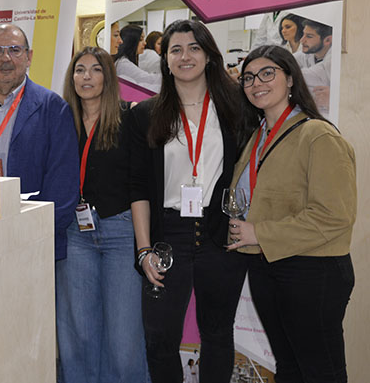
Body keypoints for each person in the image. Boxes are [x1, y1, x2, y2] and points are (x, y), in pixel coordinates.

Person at [128, 19, 247, 383]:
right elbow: (139, 190)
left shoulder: (236, 109)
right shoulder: (145, 114)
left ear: (209, 55)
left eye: (194, 48)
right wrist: (144, 250)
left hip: (219, 234)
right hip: (168, 234)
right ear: (164, 60)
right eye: (175, 50)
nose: (185, 56)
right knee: (159, 338)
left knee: (217, 334)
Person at [228, 45, 355, 383]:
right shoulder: (258, 135)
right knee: (288, 368)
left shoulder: (318, 134)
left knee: (320, 372)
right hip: (267, 266)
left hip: (313, 270)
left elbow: (334, 216)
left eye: (267, 73)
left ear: (289, 78)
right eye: (249, 78)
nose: (257, 83)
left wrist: (259, 233)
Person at [56, 46, 148, 382]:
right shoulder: (61, 120)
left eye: (96, 70)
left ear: (108, 77)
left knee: (123, 341)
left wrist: (144, 245)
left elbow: (141, 185)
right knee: (78, 335)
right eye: (80, 70)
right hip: (75, 235)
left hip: (121, 233)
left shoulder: (130, 117)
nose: (87, 77)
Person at [0, 23, 79, 261]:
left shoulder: (53, 108)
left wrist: (32, 233)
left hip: (30, 242)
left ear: (29, 57)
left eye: (14, 50)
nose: (6, 58)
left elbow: (63, 187)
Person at [114, 24, 162, 92]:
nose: (145, 43)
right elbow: (147, 79)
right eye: (140, 39)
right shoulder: (123, 64)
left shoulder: (126, 61)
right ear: (131, 41)